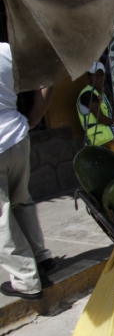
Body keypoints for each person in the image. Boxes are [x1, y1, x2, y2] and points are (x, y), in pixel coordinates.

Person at [0, 42, 56, 300]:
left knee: (2, 217)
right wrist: (32, 119)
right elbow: (48, 80)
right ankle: (41, 257)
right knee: (21, 200)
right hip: (16, 136)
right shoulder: (8, 51)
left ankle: (25, 280)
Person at [76, 62, 114, 159]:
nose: (98, 79)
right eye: (95, 76)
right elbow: (101, 119)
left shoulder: (99, 93)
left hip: (105, 131)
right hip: (98, 134)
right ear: (89, 77)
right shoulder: (88, 94)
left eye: (101, 75)